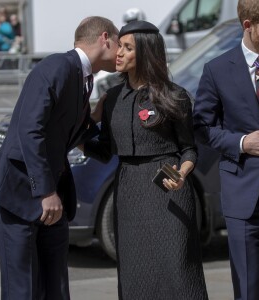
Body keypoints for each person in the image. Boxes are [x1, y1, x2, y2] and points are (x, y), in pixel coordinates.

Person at [0, 16, 119, 300]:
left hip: (51, 203)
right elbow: (29, 129)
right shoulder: (57, 66)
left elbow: (63, 133)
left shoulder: (84, 79)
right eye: (120, 43)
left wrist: (91, 121)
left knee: (56, 289)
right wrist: (45, 191)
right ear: (105, 39)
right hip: (17, 199)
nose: (122, 51)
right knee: (23, 291)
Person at [82, 20, 208, 300]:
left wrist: (182, 173)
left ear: (146, 53)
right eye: (120, 46)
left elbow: (189, 149)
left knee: (177, 270)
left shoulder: (174, 96)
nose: (119, 53)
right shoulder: (111, 98)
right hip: (128, 192)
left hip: (169, 193)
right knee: (135, 271)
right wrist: (76, 138)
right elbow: (104, 151)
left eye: (128, 48)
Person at [193, 0, 259, 299]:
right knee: (248, 288)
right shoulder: (217, 69)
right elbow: (201, 127)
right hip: (244, 199)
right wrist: (241, 143)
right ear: (249, 25)